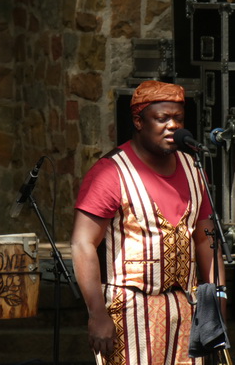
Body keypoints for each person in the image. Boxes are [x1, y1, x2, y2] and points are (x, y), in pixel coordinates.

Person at [70, 80, 226, 365]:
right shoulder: (110, 172)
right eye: (162, 118)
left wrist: (218, 300)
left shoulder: (194, 168)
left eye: (178, 118)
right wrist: (96, 312)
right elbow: (82, 243)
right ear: (138, 121)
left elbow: (206, 239)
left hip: (185, 311)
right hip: (129, 312)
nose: (172, 126)